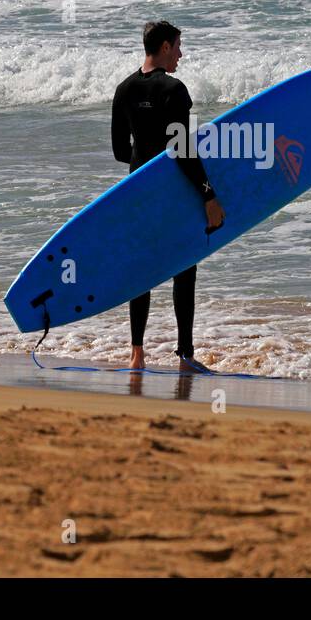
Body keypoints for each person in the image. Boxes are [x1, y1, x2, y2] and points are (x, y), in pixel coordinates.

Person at [111, 20, 225, 372]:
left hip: (139, 192)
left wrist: (143, 159)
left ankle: (137, 355)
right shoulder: (174, 90)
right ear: (163, 47)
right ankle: (185, 356)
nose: (180, 53)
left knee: (141, 271)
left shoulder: (123, 89)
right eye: (177, 46)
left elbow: (119, 150)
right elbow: (182, 149)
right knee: (184, 269)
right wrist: (208, 195)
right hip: (174, 192)